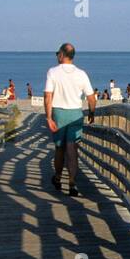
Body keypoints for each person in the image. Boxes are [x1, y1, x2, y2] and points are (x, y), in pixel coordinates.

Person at [45, 42, 96, 197]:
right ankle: (72, 182)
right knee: (72, 148)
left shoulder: (53, 72)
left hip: (58, 112)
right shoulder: (81, 74)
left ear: (61, 55)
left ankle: (58, 177)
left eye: (57, 54)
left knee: (60, 148)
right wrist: (92, 113)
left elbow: (48, 96)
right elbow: (91, 98)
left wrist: (48, 117)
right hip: (75, 113)